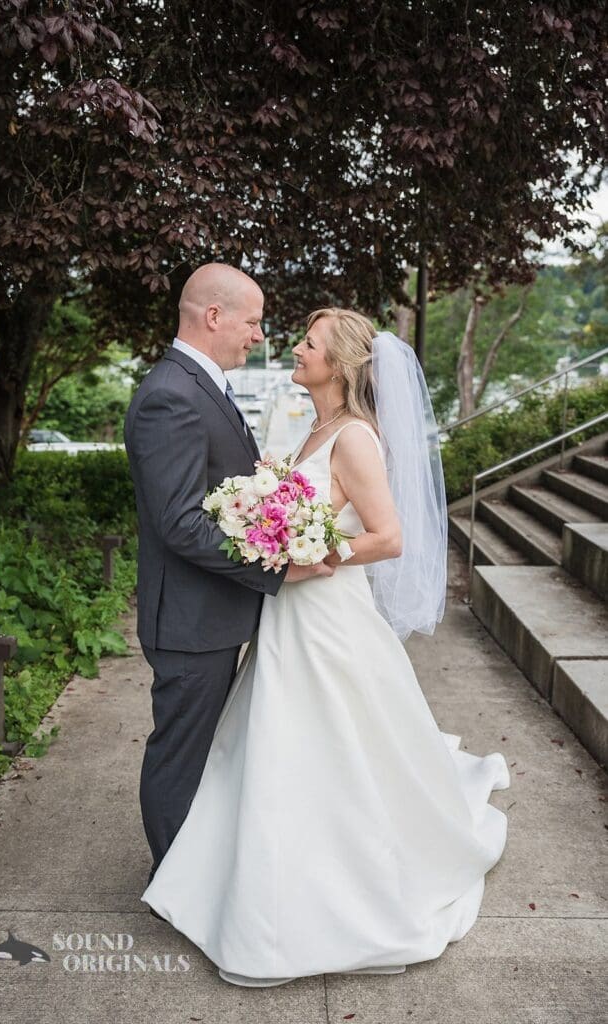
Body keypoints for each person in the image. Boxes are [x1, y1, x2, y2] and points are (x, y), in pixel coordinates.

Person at [140, 306, 510, 985]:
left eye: (308, 343)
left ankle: (341, 883)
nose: (294, 348)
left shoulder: (357, 438)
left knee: (332, 737)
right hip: (288, 611)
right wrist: (273, 541)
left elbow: (387, 536)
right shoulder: (315, 425)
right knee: (279, 740)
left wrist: (312, 549)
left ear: (337, 364)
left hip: (327, 612)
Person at [123, 264, 334, 904]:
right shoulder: (172, 394)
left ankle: (193, 870)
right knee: (181, 753)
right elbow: (181, 523)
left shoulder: (197, 386)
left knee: (202, 750)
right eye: (251, 321)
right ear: (214, 317)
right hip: (189, 620)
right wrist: (281, 563)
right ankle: (174, 885)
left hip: (210, 613)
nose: (258, 334)